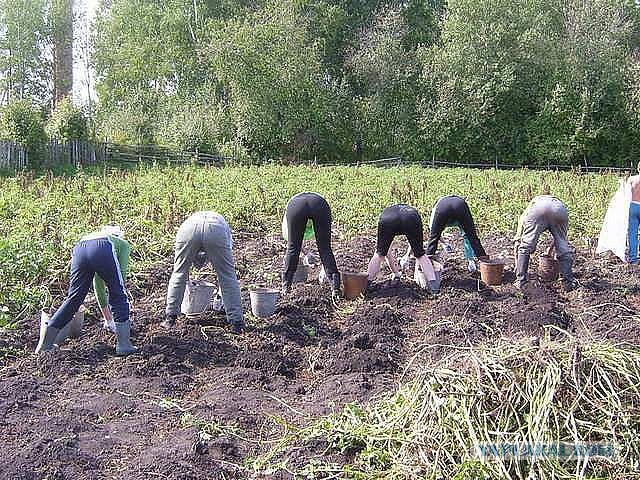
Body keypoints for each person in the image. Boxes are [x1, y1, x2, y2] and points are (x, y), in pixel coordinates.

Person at [35, 225, 137, 355]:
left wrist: (108, 319)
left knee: (74, 298)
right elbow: (119, 282)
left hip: (79, 248)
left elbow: (98, 285)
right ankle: (124, 345)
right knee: (118, 292)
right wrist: (114, 319)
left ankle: (46, 345)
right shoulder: (122, 244)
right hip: (101, 248)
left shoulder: (93, 239)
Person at [164, 211, 244, 333]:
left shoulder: (188, 221)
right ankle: (237, 323)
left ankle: (170, 318)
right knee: (227, 276)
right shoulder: (224, 229)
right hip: (215, 230)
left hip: (188, 230)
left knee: (179, 273)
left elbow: (190, 265)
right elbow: (224, 273)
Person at [367, 204, 439, 292]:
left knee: (379, 254)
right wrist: (396, 273)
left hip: (388, 219)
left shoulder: (387, 213)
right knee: (421, 255)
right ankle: (434, 288)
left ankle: (366, 285)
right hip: (411, 218)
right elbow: (390, 253)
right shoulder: (412, 212)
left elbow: (386, 253)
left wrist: (396, 273)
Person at [282, 192, 340, 296]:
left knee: (292, 248)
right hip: (319, 204)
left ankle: (286, 288)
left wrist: (304, 252)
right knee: (325, 248)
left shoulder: (289, 212)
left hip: (295, 206)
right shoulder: (318, 200)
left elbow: (293, 245)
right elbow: (324, 247)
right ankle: (335, 287)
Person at [514, 195, 576, 291]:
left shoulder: (527, 212)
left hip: (538, 209)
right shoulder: (556, 203)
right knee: (563, 247)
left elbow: (519, 241)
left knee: (526, 246)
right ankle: (567, 284)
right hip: (559, 209)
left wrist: (517, 265)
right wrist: (550, 252)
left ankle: (520, 282)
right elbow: (558, 239)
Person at [426, 195, 489, 271]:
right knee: (471, 236)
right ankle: (487, 266)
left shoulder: (437, 208)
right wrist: (444, 243)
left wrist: (443, 243)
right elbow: (469, 235)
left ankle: (427, 267)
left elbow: (434, 233)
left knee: (433, 238)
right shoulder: (458, 201)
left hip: (443, 209)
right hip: (460, 206)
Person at [627, 163, 640, 264]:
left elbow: (625, 194)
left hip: (633, 206)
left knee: (632, 233)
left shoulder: (632, 179)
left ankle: (633, 259)